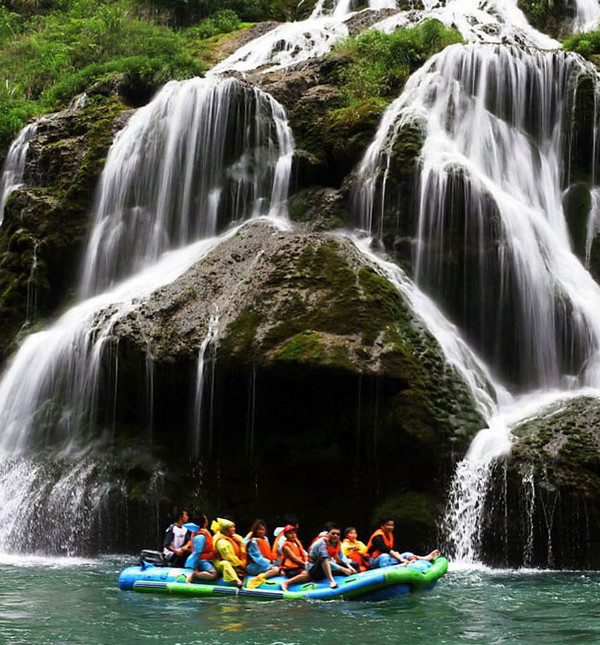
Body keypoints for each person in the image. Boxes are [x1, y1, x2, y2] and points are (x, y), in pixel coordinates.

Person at [281, 522, 354, 591]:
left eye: (338, 534)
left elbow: (341, 556)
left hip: (310, 565)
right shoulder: (321, 543)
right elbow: (295, 559)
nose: (336, 536)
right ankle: (331, 581)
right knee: (310, 570)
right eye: (333, 534)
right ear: (328, 534)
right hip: (294, 568)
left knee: (354, 565)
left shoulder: (337, 542)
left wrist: (350, 567)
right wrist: (343, 569)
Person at [366, 517, 440, 568]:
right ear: (382, 526)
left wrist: (399, 555)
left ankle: (425, 558)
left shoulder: (389, 535)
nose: (390, 527)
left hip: (387, 558)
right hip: (373, 561)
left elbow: (392, 549)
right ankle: (386, 573)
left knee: (407, 554)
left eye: (392, 525)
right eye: (388, 525)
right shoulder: (377, 537)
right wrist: (400, 559)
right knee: (384, 556)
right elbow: (385, 549)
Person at [244, 519, 280, 588]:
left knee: (280, 570)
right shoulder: (253, 542)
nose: (261, 532)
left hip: (263, 564)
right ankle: (256, 580)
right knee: (276, 570)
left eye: (262, 530)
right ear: (255, 531)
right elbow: (258, 559)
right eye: (259, 530)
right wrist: (271, 564)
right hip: (253, 566)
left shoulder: (265, 539)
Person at [211, 517, 247, 588]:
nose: (234, 529)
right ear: (225, 530)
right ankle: (236, 581)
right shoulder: (221, 542)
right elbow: (228, 558)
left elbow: (244, 550)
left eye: (234, 527)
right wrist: (240, 565)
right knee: (225, 564)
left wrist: (244, 562)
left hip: (238, 562)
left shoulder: (237, 537)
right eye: (231, 527)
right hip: (220, 561)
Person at [184, 514, 218, 583]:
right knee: (213, 574)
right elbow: (196, 553)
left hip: (208, 559)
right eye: (206, 519)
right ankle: (195, 575)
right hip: (202, 561)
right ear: (204, 523)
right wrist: (195, 567)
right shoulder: (200, 536)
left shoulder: (204, 533)